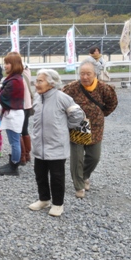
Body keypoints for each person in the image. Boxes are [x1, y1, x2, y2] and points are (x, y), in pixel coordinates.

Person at [29, 69, 85, 217]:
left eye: (40, 81)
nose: (36, 84)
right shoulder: (37, 97)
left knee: (57, 176)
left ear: (51, 83)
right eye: (36, 81)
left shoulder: (62, 97)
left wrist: (66, 127)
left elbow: (78, 114)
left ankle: (58, 204)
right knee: (39, 174)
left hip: (56, 145)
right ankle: (44, 199)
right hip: (39, 145)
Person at [63, 57, 118, 198]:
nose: (85, 77)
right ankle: (79, 185)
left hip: (96, 127)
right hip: (78, 126)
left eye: (88, 74)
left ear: (95, 74)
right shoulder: (72, 88)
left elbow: (112, 103)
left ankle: (85, 175)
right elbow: (61, 101)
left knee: (94, 157)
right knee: (77, 158)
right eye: (82, 73)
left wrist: (100, 115)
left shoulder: (104, 89)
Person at [0, 52, 25, 176]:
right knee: (15, 141)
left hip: (13, 114)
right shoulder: (17, 78)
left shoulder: (14, 81)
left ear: (14, 65)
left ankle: (14, 165)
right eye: (5, 63)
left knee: (14, 142)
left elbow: (2, 97)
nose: (5, 66)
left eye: (8, 63)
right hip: (14, 112)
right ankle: (14, 162)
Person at [20, 63, 33, 165]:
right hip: (28, 105)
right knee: (25, 130)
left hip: (21, 105)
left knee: (18, 131)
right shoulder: (27, 72)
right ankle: (27, 154)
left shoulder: (18, 76)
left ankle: (22, 155)